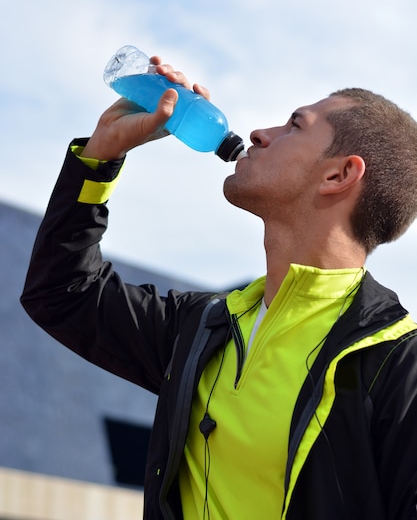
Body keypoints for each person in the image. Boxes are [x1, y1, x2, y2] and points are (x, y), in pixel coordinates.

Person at [21, 56, 417, 520]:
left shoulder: (396, 367)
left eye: (294, 125)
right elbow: (62, 291)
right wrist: (100, 158)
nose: (258, 134)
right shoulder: (201, 328)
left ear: (339, 175)